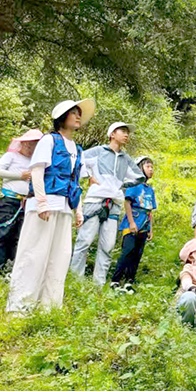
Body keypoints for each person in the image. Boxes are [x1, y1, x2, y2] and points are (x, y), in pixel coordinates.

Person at [7, 98, 95, 314]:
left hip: (64, 207)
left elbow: (75, 182)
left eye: (79, 113)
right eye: (73, 112)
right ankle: (20, 306)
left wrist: (79, 210)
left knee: (60, 256)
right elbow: (37, 171)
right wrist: (42, 202)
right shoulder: (49, 141)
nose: (77, 116)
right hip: (44, 206)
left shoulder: (78, 149)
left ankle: (49, 307)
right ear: (61, 117)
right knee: (34, 253)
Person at [71, 122, 143, 285]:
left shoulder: (126, 159)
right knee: (84, 241)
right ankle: (75, 281)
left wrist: (121, 185)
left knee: (108, 246)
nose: (126, 134)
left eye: (127, 132)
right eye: (122, 131)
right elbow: (78, 161)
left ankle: (99, 285)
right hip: (95, 200)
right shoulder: (98, 151)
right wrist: (89, 176)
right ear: (112, 134)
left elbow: (139, 177)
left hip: (115, 204)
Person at [0, 129, 44, 286]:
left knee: (19, 236)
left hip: (27, 203)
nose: (31, 147)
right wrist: (20, 176)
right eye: (29, 144)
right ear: (22, 143)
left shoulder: (35, 163)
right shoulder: (11, 156)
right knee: (3, 232)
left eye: (35, 145)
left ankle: (11, 268)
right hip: (9, 200)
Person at [111, 156, 157, 291]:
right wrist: (131, 222)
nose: (151, 170)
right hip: (133, 222)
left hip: (144, 224)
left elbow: (150, 210)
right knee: (127, 251)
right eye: (148, 166)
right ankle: (116, 279)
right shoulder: (134, 184)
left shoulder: (149, 189)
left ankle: (129, 281)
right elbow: (127, 202)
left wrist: (150, 229)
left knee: (137, 253)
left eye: (152, 167)